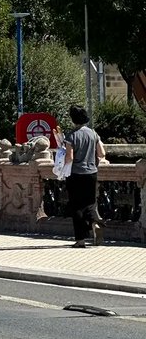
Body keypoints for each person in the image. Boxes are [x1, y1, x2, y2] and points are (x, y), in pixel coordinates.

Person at [64, 105, 105, 247]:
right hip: (91, 173)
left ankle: (80, 240)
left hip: (76, 174)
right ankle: (95, 223)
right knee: (90, 203)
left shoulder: (71, 136)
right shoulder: (93, 133)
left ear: (72, 118)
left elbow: (69, 158)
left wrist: (62, 166)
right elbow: (102, 153)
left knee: (77, 206)